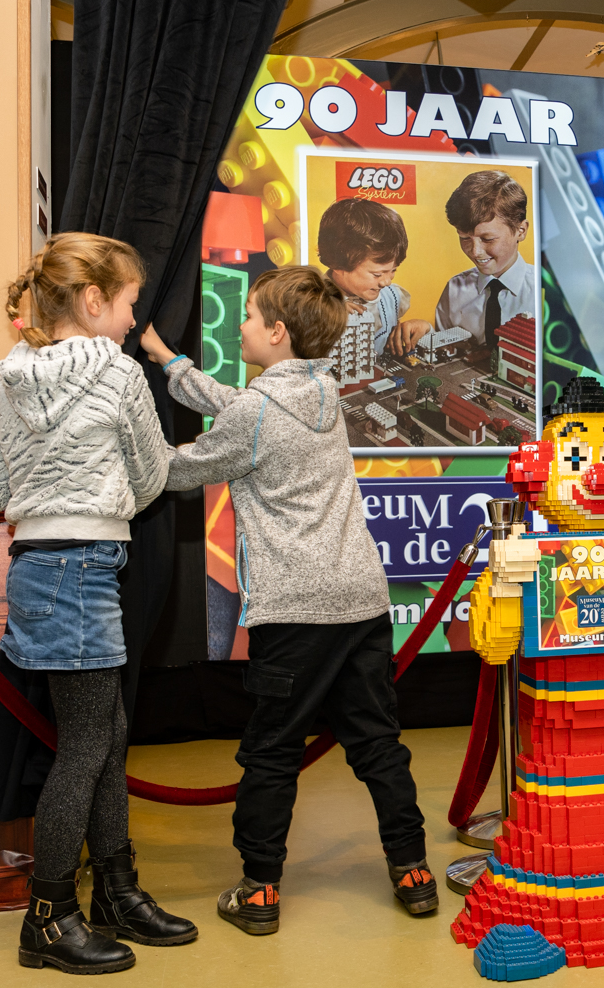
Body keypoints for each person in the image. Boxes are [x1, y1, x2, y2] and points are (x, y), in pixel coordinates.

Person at [137, 266, 437, 934]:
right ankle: (413, 870)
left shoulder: (255, 412)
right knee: (377, 742)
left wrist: (125, 430)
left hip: (295, 611)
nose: (239, 325)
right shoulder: (325, 391)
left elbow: (178, 469)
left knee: (271, 750)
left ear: (275, 333)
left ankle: (260, 890)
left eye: (247, 317)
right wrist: (169, 361)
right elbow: (240, 406)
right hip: (359, 601)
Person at [0, 232, 196, 975]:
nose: (134, 321)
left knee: (104, 732)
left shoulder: (6, 378)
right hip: (87, 564)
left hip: (38, 567)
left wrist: (48, 491)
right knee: (86, 749)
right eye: (130, 304)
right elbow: (152, 475)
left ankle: (116, 892)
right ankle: (49, 915)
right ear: (96, 301)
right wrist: (98, 504)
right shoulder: (121, 374)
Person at [392, 170, 536, 357]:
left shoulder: (541, 294)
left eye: (488, 238)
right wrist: (429, 332)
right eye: (464, 238)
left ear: (521, 231)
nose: (475, 252)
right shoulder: (455, 290)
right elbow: (448, 351)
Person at [316, 197, 415, 359]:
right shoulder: (307, 302)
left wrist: (423, 328)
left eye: (393, 270)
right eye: (377, 274)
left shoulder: (391, 297)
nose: (386, 281)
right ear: (338, 265)